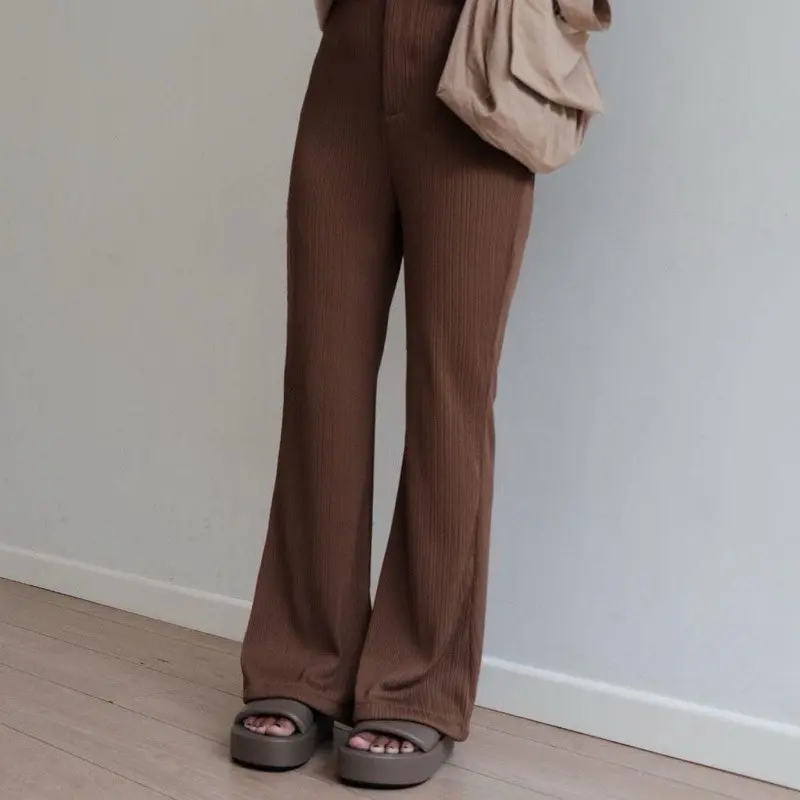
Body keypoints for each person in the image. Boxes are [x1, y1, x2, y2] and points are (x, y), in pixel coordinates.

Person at [229, 0, 534, 788]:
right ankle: (303, 662)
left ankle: (418, 683)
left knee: (449, 397)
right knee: (320, 381)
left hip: (478, 58)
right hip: (353, 56)